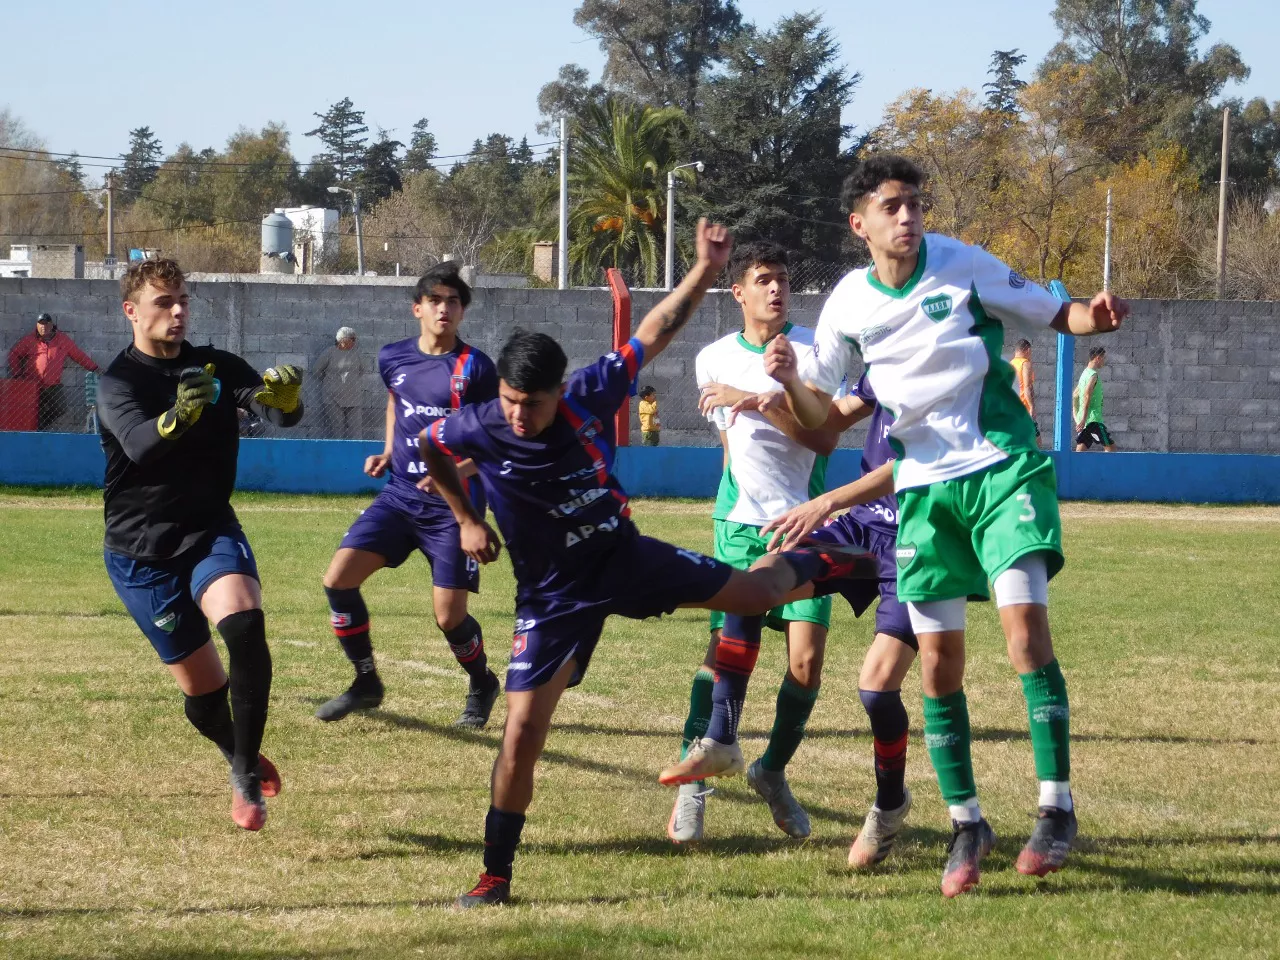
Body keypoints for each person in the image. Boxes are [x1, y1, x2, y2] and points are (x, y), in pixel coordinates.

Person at [418, 220, 874, 907]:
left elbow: (655, 329)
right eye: (510, 402)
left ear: (557, 391)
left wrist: (700, 268)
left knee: (751, 597)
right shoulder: (480, 422)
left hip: (623, 557)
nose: (517, 417)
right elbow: (428, 449)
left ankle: (835, 559)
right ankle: (494, 877)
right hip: (552, 597)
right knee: (520, 735)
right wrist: (465, 516)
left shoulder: (586, 395)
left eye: (531, 405)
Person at [765, 154, 1126, 897]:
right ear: (858, 223)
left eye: (915, 204)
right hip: (924, 494)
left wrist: (1098, 315)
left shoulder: (961, 264)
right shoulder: (846, 306)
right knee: (937, 667)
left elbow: (1063, 316)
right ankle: (968, 823)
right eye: (892, 206)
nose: (908, 217)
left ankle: (1056, 808)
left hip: (1001, 468)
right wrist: (791, 384)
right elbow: (823, 425)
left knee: (1025, 633)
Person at [96, 258, 304, 831]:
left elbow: (272, 407)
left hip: (209, 529)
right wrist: (181, 414)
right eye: (164, 302)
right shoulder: (118, 382)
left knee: (244, 623)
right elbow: (140, 445)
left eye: (183, 299)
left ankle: (243, 774)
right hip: (138, 553)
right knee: (205, 696)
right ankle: (236, 751)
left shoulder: (217, 364)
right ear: (131, 311)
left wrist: (286, 402)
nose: (178, 311)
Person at [666, 240, 841, 845]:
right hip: (740, 525)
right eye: (763, 279)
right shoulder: (712, 358)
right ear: (737, 292)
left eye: (784, 279)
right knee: (723, 653)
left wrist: (755, 402)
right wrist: (731, 506)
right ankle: (695, 783)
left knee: (806, 662)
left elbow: (821, 443)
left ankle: (772, 771)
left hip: (804, 525)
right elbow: (729, 448)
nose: (776, 289)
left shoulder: (815, 351)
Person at [315, 263, 502, 727]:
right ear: (417, 308)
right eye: (435, 301)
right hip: (399, 497)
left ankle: (482, 683)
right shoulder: (392, 357)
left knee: (448, 617)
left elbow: (496, 437)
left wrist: (453, 470)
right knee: (338, 579)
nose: (444, 309)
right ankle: (366, 682)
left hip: (453, 510)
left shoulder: (474, 367)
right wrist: (386, 451)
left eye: (453, 302)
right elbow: (397, 403)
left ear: (462, 312)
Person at [757, 374, 919, 869]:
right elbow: (828, 422)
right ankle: (724, 744)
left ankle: (890, 804)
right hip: (860, 527)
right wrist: (782, 393)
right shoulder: (878, 354)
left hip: (919, 540)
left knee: (876, 688)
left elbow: (908, 466)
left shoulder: (950, 360)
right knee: (758, 584)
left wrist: (828, 500)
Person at [8, 312, 100, 430]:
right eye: (40, 324)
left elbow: (78, 355)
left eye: (46, 324)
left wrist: (94, 368)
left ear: (52, 325)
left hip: (53, 385)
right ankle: (33, 429)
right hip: (33, 385)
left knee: (60, 408)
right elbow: (14, 354)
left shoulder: (62, 340)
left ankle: (38, 426)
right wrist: (17, 374)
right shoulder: (30, 340)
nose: (43, 327)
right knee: (32, 410)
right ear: (36, 325)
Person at [312, 326, 365, 438]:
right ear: (343, 340)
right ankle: (338, 453)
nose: (355, 341)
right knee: (337, 429)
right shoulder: (329, 352)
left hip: (354, 397)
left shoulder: (357, 353)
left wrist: (349, 380)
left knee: (356, 430)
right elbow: (316, 370)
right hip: (332, 398)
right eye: (352, 339)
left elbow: (362, 370)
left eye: (354, 339)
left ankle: (355, 452)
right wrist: (331, 381)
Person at [1074, 347, 1115, 451]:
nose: (1104, 361)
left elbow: (1075, 395)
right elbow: (1087, 395)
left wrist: (1076, 416)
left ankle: (1073, 467)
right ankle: (1109, 468)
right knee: (1111, 448)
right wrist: (1082, 418)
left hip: (1086, 421)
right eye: (1103, 358)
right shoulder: (1093, 375)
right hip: (1093, 420)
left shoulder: (1084, 374)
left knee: (1080, 450)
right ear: (1098, 358)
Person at [1010, 339, 1040, 447]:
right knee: (1037, 442)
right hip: (1024, 408)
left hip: (1013, 408)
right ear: (1027, 350)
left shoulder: (1010, 364)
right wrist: (1032, 407)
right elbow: (1027, 387)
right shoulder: (1025, 364)